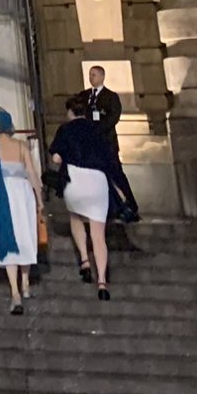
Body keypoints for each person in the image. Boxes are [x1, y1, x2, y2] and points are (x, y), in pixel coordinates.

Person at [52, 91, 122, 299]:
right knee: (98, 235)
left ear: (70, 112)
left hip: (75, 179)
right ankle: (102, 283)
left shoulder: (65, 130)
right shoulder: (98, 129)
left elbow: (56, 158)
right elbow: (109, 157)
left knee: (75, 216)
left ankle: (84, 260)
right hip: (97, 180)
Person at [0, 106, 42, 313]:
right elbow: (32, 174)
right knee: (24, 236)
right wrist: (39, 199)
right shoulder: (20, 146)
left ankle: (16, 291)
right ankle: (24, 284)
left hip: (1, 193)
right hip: (21, 194)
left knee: (8, 237)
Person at [85, 66, 140, 219]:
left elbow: (113, 117)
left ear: (102, 77)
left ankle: (130, 203)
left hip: (107, 143)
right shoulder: (87, 96)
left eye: (94, 75)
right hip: (93, 145)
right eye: (90, 75)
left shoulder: (111, 96)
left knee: (116, 173)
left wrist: (98, 130)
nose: (91, 78)